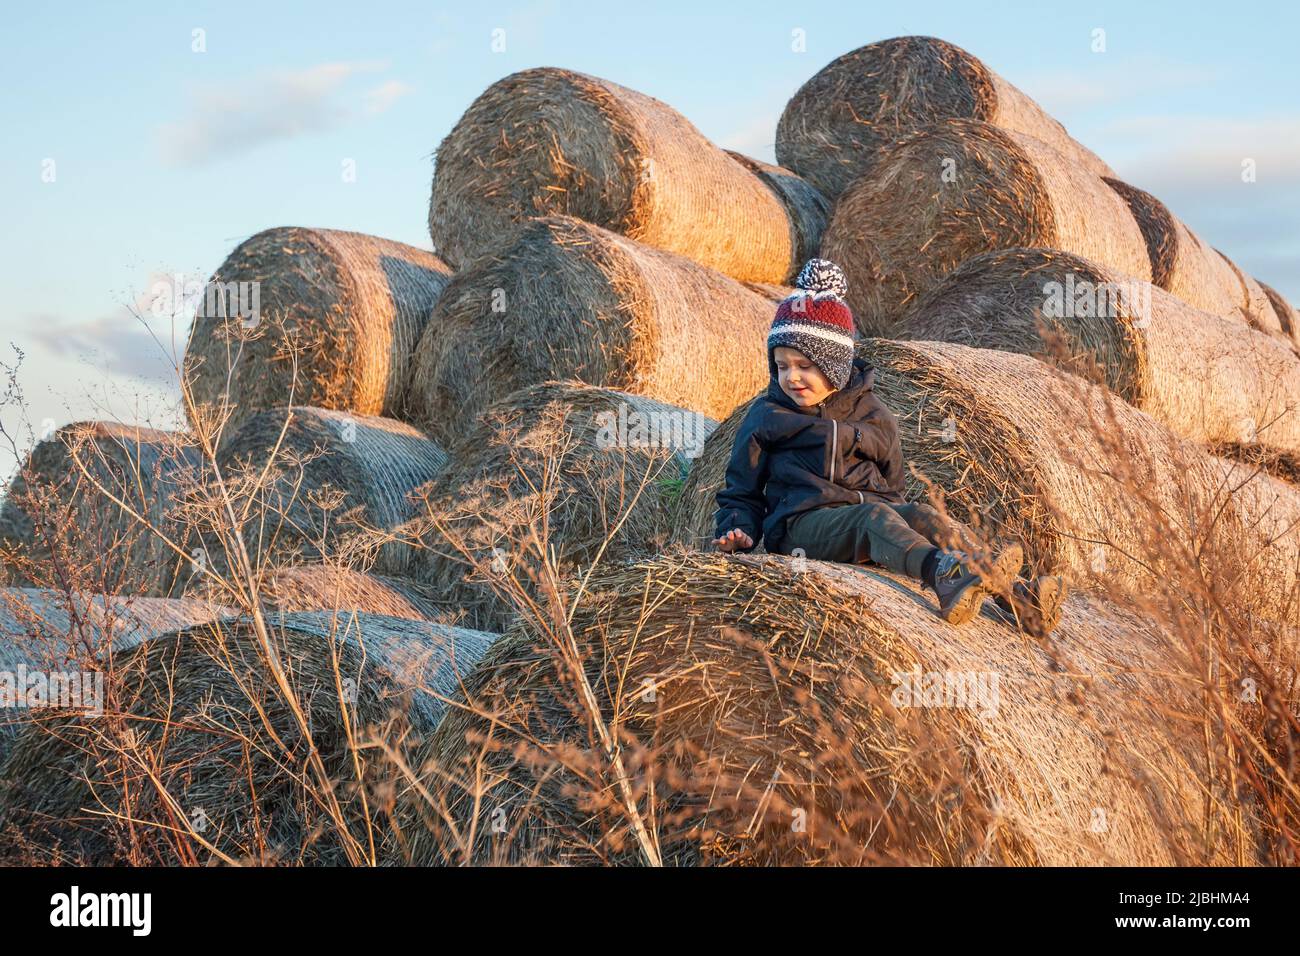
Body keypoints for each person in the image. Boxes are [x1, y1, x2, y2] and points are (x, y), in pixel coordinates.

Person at [712, 258, 1064, 635]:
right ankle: (941, 574)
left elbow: (892, 479)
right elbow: (741, 488)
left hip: (868, 510)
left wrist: (902, 519)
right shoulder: (768, 415)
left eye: (804, 365)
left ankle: (1015, 596)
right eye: (781, 366)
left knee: (924, 514)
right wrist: (739, 528)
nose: (791, 377)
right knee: (874, 519)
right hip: (801, 526)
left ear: (835, 367)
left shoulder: (872, 412)